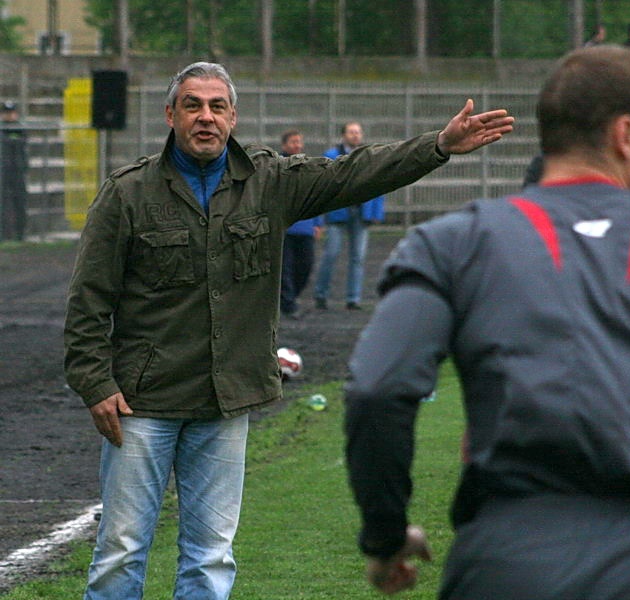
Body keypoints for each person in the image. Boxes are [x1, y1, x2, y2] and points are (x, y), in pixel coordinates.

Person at [344, 46, 630, 600]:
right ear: (623, 134)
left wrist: (384, 538)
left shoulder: (452, 244)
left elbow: (377, 390)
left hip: (500, 567)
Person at [63, 61, 513, 600]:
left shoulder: (269, 180)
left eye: (217, 106)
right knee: (121, 550)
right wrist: (96, 384)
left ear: (233, 116)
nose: (205, 117)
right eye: (192, 105)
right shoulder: (127, 193)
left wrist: (437, 145)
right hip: (142, 401)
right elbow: (88, 299)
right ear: (170, 115)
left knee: (210, 557)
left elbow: (356, 172)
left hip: (226, 399)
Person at [313, 121, 382, 310]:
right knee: (331, 254)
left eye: (358, 132)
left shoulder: (369, 155)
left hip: (361, 212)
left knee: (358, 257)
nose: (355, 135)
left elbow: (380, 182)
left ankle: (354, 298)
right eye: (351, 132)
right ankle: (321, 294)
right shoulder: (331, 156)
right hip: (338, 212)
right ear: (343, 135)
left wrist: (376, 212)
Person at [278, 129, 323, 319]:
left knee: (306, 265)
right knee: (285, 268)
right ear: (284, 145)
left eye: (299, 142)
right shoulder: (276, 166)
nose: (297, 145)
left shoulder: (308, 166)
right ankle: (287, 304)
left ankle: (290, 298)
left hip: (305, 226)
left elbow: (316, 195)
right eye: (293, 142)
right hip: (285, 227)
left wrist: (318, 222)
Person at [1, 101, 28, 241]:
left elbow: (21, 142)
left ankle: (20, 234)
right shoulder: (2, 128)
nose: (10, 115)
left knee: (20, 203)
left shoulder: (20, 128)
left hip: (18, 171)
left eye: (12, 112)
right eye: (6, 112)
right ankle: (5, 235)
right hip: (3, 173)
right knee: (3, 204)